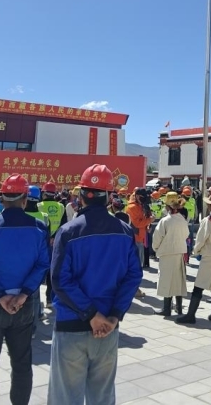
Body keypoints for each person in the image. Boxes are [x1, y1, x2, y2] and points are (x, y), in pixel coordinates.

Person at [48, 164, 142, 405]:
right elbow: (133, 276)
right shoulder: (124, 231)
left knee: (65, 398)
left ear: (81, 196)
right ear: (109, 197)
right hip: (108, 327)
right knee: (102, 397)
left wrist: (90, 314)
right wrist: (114, 315)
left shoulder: (68, 231)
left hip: (71, 325)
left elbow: (59, 280)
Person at [0, 173, 50, 405]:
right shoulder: (39, 228)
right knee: (22, 364)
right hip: (24, 304)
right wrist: (24, 293)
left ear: (1, 199)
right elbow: (42, 264)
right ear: (25, 200)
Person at [177, 192, 211, 324]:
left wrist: (196, 251)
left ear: (210, 205)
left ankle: (191, 315)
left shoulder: (208, 220)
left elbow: (201, 239)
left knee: (199, 286)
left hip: (209, 256)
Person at [152, 192, 190, 318]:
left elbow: (157, 238)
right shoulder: (182, 219)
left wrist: (156, 249)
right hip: (180, 252)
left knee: (166, 280)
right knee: (178, 280)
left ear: (167, 206)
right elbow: (186, 234)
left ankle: (166, 308)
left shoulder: (165, 221)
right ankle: (179, 307)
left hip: (167, 253)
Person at [125, 188, 153, 267]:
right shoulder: (132, 207)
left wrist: (148, 226)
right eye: (143, 197)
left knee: (139, 264)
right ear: (137, 196)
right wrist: (150, 220)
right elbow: (137, 224)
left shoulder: (140, 205)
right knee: (136, 265)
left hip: (140, 238)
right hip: (134, 238)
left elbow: (143, 219)